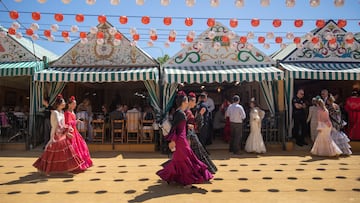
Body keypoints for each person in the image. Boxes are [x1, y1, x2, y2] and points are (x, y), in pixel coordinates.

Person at [156, 91, 213, 188]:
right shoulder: (180, 113)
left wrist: (186, 126)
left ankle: (178, 179)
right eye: (186, 100)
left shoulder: (180, 112)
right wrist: (173, 140)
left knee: (181, 161)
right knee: (187, 161)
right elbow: (175, 129)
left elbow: (178, 127)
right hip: (181, 141)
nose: (187, 102)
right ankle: (186, 181)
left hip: (181, 140)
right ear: (183, 102)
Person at [33, 94, 84, 175]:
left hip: (62, 135)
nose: (65, 103)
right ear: (59, 104)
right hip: (57, 136)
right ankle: (43, 168)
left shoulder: (62, 112)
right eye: (63, 102)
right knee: (51, 154)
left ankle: (68, 169)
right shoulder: (55, 113)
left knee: (65, 153)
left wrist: (67, 131)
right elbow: (54, 126)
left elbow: (63, 125)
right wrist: (51, 138)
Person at [186, 92, 217, 174]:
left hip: (192, 133)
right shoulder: (191, 110)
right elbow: (196, 119)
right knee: (198, 153)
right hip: (191, 134)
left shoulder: (192, 109)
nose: (196, 103)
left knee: (197, 154)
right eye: (194, 101)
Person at [65, 96, 93, 170]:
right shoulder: (67, 113)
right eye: (73, 104)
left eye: (75, 104)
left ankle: (80, 163)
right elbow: (67, 123)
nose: (75, 105)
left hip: (75, 131)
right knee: (74, 148)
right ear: (69, 104)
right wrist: (76, 121)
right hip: (71, 131)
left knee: (82, 146)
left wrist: (76, 121)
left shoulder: (72, 112)